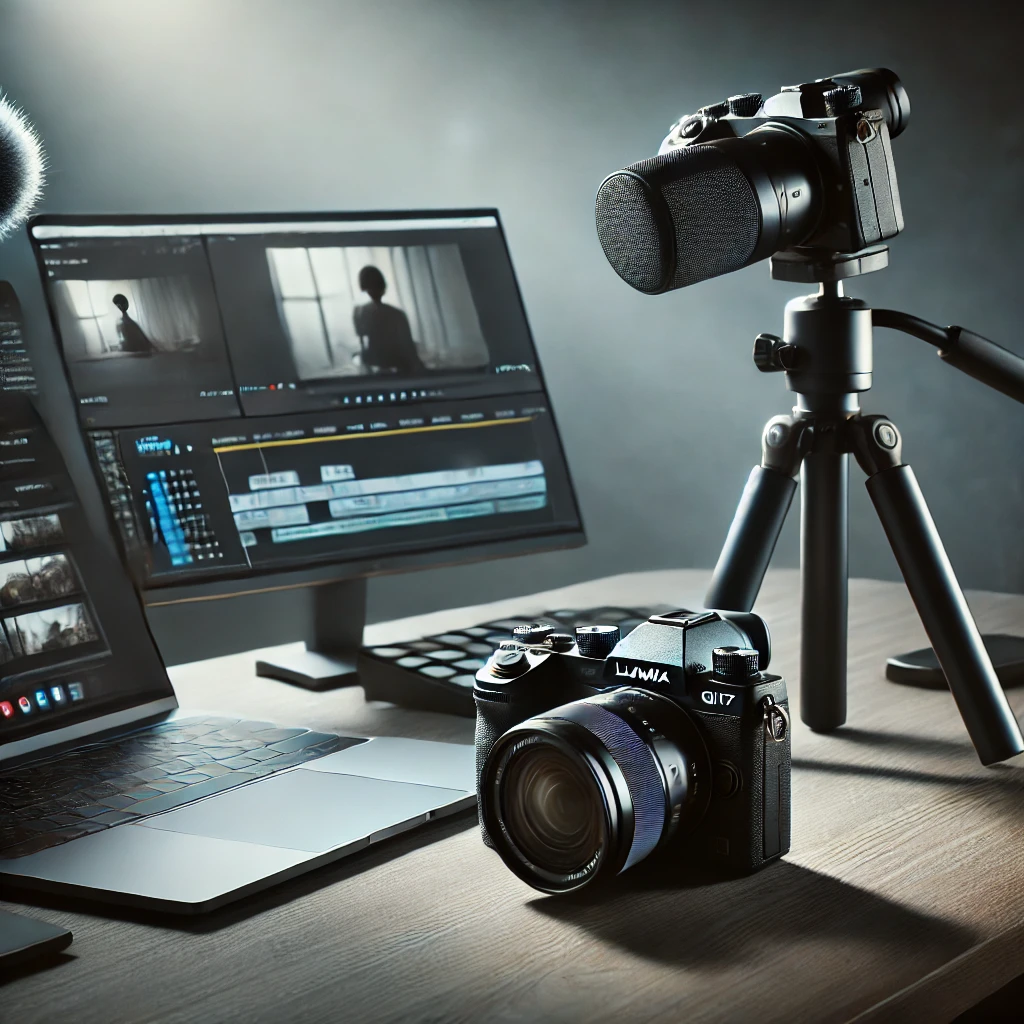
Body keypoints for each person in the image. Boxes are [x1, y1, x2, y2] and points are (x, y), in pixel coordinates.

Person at [352, 266, 424, 374]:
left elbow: (361, 336)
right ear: (383, 287)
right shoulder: (397, 314)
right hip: (398, 366)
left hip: (380, 366)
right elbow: (408, 347)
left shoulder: (360, 312)